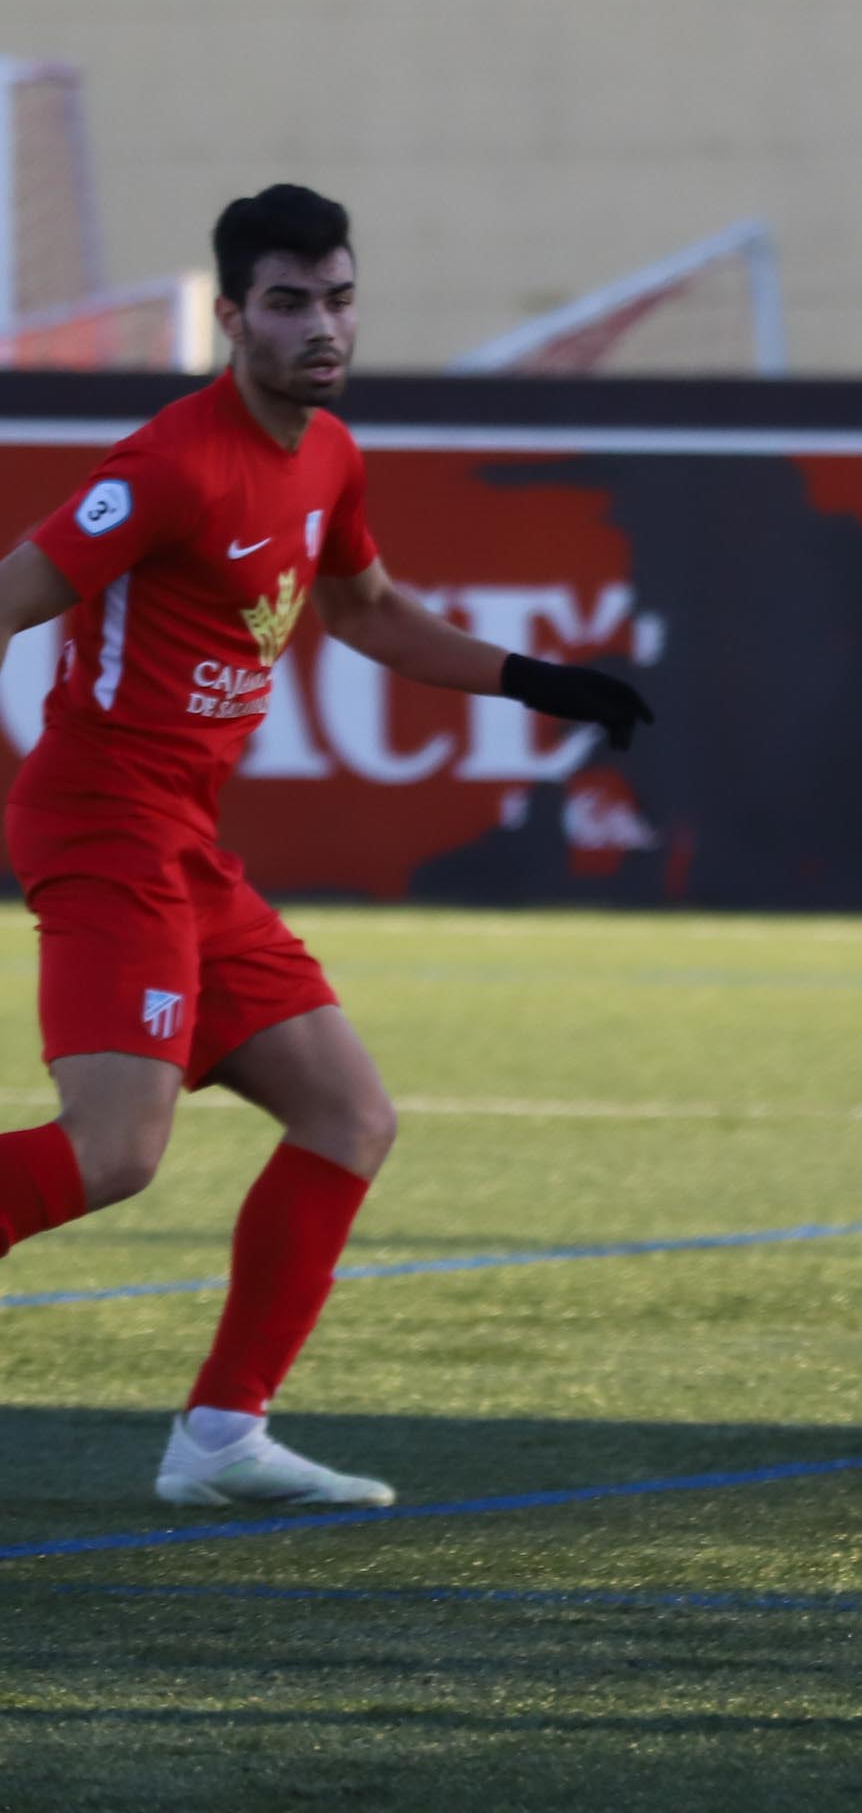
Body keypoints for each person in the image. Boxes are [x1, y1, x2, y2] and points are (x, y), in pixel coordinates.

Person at [0, 185, 653, 1507]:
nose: (321, 326)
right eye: (289, 303)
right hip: (100, 824)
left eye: (338, 299)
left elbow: (366, 612)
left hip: (183, 843)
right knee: (118, 1151)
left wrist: (537, 679)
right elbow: (15, 591)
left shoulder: (327, 456)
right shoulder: (169, 467)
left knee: (348, 1117)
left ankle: (220, 1441)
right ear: (231, 315)